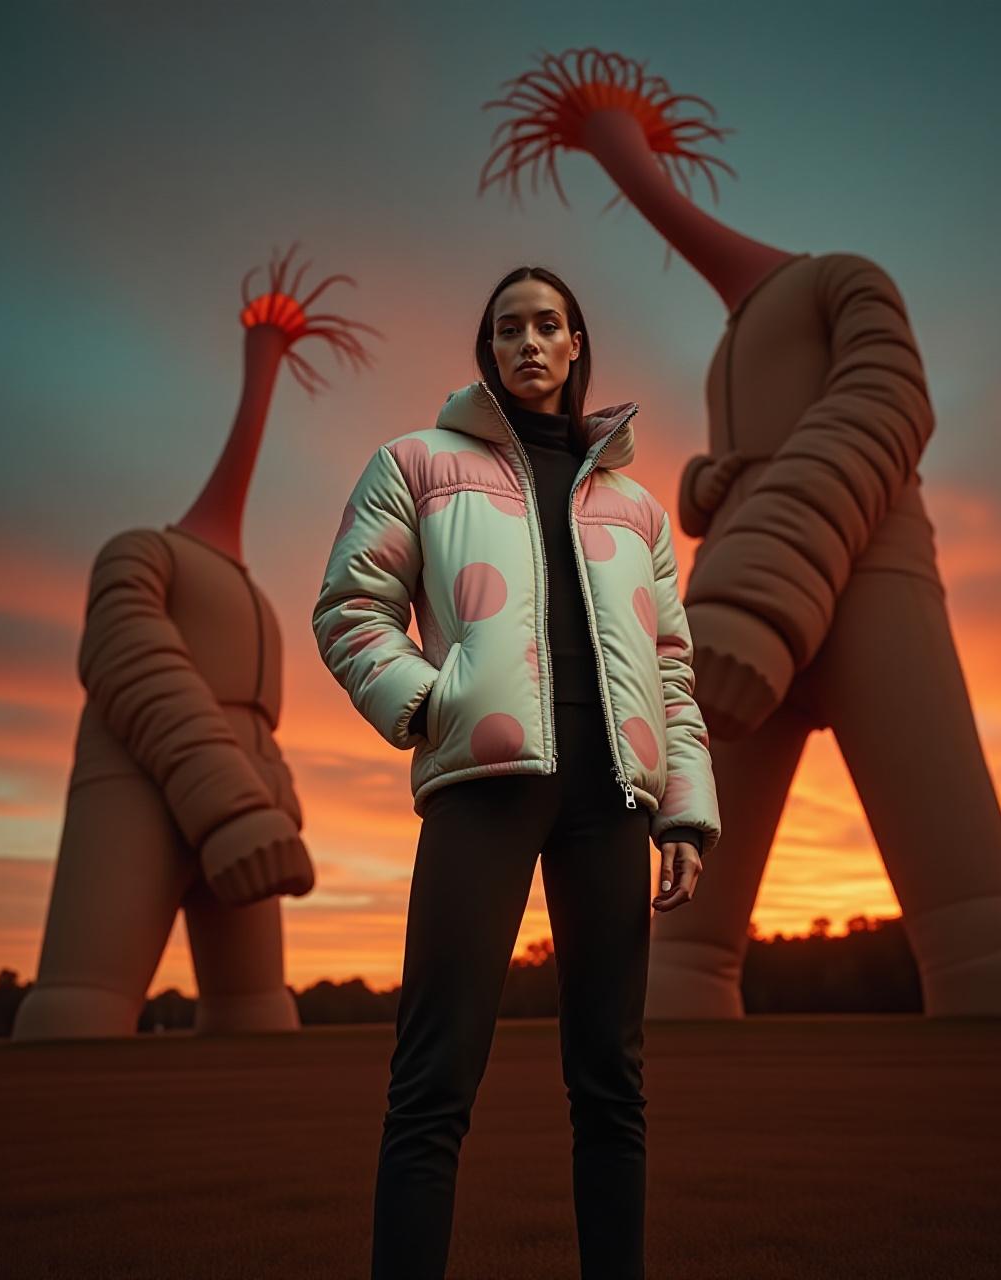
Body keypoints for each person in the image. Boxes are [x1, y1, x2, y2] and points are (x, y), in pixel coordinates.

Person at [311, 265, 722, 1279]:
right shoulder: (413, 461)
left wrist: (681, 809)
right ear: (486, 350)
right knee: (433, 1078)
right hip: (482, 789)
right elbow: (349, 608)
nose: (528, 341)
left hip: (608, 805)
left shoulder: (634, 506)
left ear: (576, 342)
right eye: (507, 328)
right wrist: (428, 699)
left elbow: (669, 666)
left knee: (611, 1082)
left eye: (547, 324)